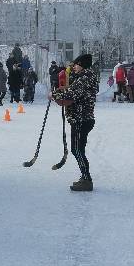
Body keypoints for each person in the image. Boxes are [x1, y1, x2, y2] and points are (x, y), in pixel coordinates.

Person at [50, 54, 98, 192]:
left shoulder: (84, 78)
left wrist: (53, 95)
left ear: (82, 65)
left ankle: (86, 179)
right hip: (81, 118)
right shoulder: (84, 77)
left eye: (76, 64)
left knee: (77, 149)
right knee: (78, 149)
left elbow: (72, 95)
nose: (74, 67)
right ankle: (85, 177)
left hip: (81, 119)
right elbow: (71, 90)